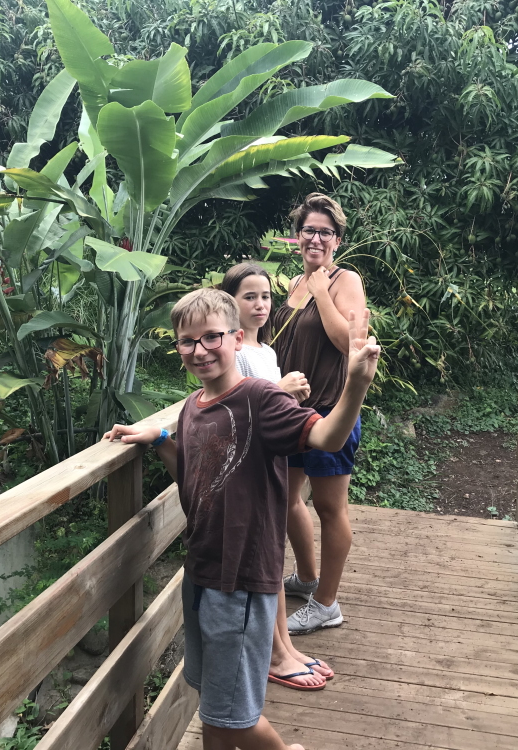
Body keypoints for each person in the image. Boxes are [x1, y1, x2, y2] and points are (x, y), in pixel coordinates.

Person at [104, 288, 380, 750]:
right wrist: (160, 439)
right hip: (203, 571)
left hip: (243, 579)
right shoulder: (194, 406)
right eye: (187, 342)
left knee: (232, 718)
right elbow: (193, 479)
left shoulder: (260, 399)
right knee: (214, 703)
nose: (200, 350)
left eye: (212, 337)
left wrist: (356, 384)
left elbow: (329, 438)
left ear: (236, 338)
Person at [221, 263, 333, 692]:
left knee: (272, 559)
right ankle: (274, 653)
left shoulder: (265, 351)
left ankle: (285, 645)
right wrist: (281, 392)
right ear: (229, 300)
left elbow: (271, 407)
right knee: (261, 563)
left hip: (273, 467)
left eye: (266, 296)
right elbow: (234, 405)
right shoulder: (232, 351)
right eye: (249, 296)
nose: (260, 304)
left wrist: (291, 396)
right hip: (247, 469)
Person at [271, 193, 368, 635]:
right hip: (290, 411)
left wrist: (321, 290)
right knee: (286, 498)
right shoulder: (293, 283)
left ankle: (327, 603)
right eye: (308, 230)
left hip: (329, 410)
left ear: (337, 240)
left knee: (331, 507)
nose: (315, 238)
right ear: (298, 236)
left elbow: (349, 343)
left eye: (324, 232)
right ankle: (308, 577)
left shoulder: (345, 279)